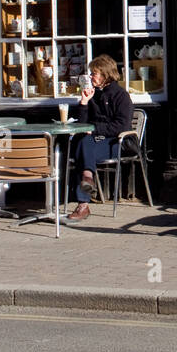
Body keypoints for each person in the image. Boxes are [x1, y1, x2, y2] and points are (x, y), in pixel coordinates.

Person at [66, 55, 135, 226]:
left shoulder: (121, 96)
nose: (91, 77)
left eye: (94, 73)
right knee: (80, 144)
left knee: (83, 147)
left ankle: (83, 203)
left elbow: (121, 126)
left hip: (114, 143)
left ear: (105, 74)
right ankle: (86, 185)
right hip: (93, 142)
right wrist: (84, 102)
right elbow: (82, 124)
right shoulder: (93, 95)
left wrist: (94, 129)